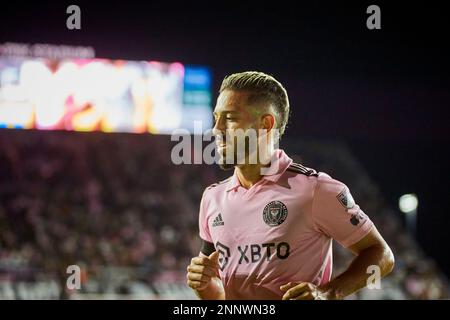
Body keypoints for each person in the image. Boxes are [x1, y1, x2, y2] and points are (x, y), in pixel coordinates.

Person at [186, 71, 394, 300]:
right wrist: (204, 286)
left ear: (265, 124)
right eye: (216, 117)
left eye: (231, 118)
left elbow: (381, 255)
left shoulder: (315, 189)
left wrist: (328, 293)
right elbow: (219, 297)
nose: (216, 128)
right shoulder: (212, 197)